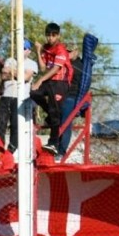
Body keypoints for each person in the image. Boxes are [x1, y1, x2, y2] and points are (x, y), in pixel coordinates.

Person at [31, 22, 73, 155]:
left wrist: (41, 79)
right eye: (48, 35)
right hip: (50, 81)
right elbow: (43, 68)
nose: (50, 38)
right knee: (33, 92)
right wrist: (38, 52)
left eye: (53, 35)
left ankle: (53, 142)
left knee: (55, 113)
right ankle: (49, 113)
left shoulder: (61, 49)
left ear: (58, 36)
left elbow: (55, 69)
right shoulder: (46, 48)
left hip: (60, 83)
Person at [0, 39, 38, 153]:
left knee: (16, 125)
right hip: (6, 95)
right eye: (19, 48)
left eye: (24, 49)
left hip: (21, 98)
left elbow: (26, 78)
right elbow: (4, 75)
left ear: (28, 51)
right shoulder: (10, 60)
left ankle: (11, 150)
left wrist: (12, 72)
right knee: (0, 124)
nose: (21, 51)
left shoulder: (32, 63)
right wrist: (18, 73)